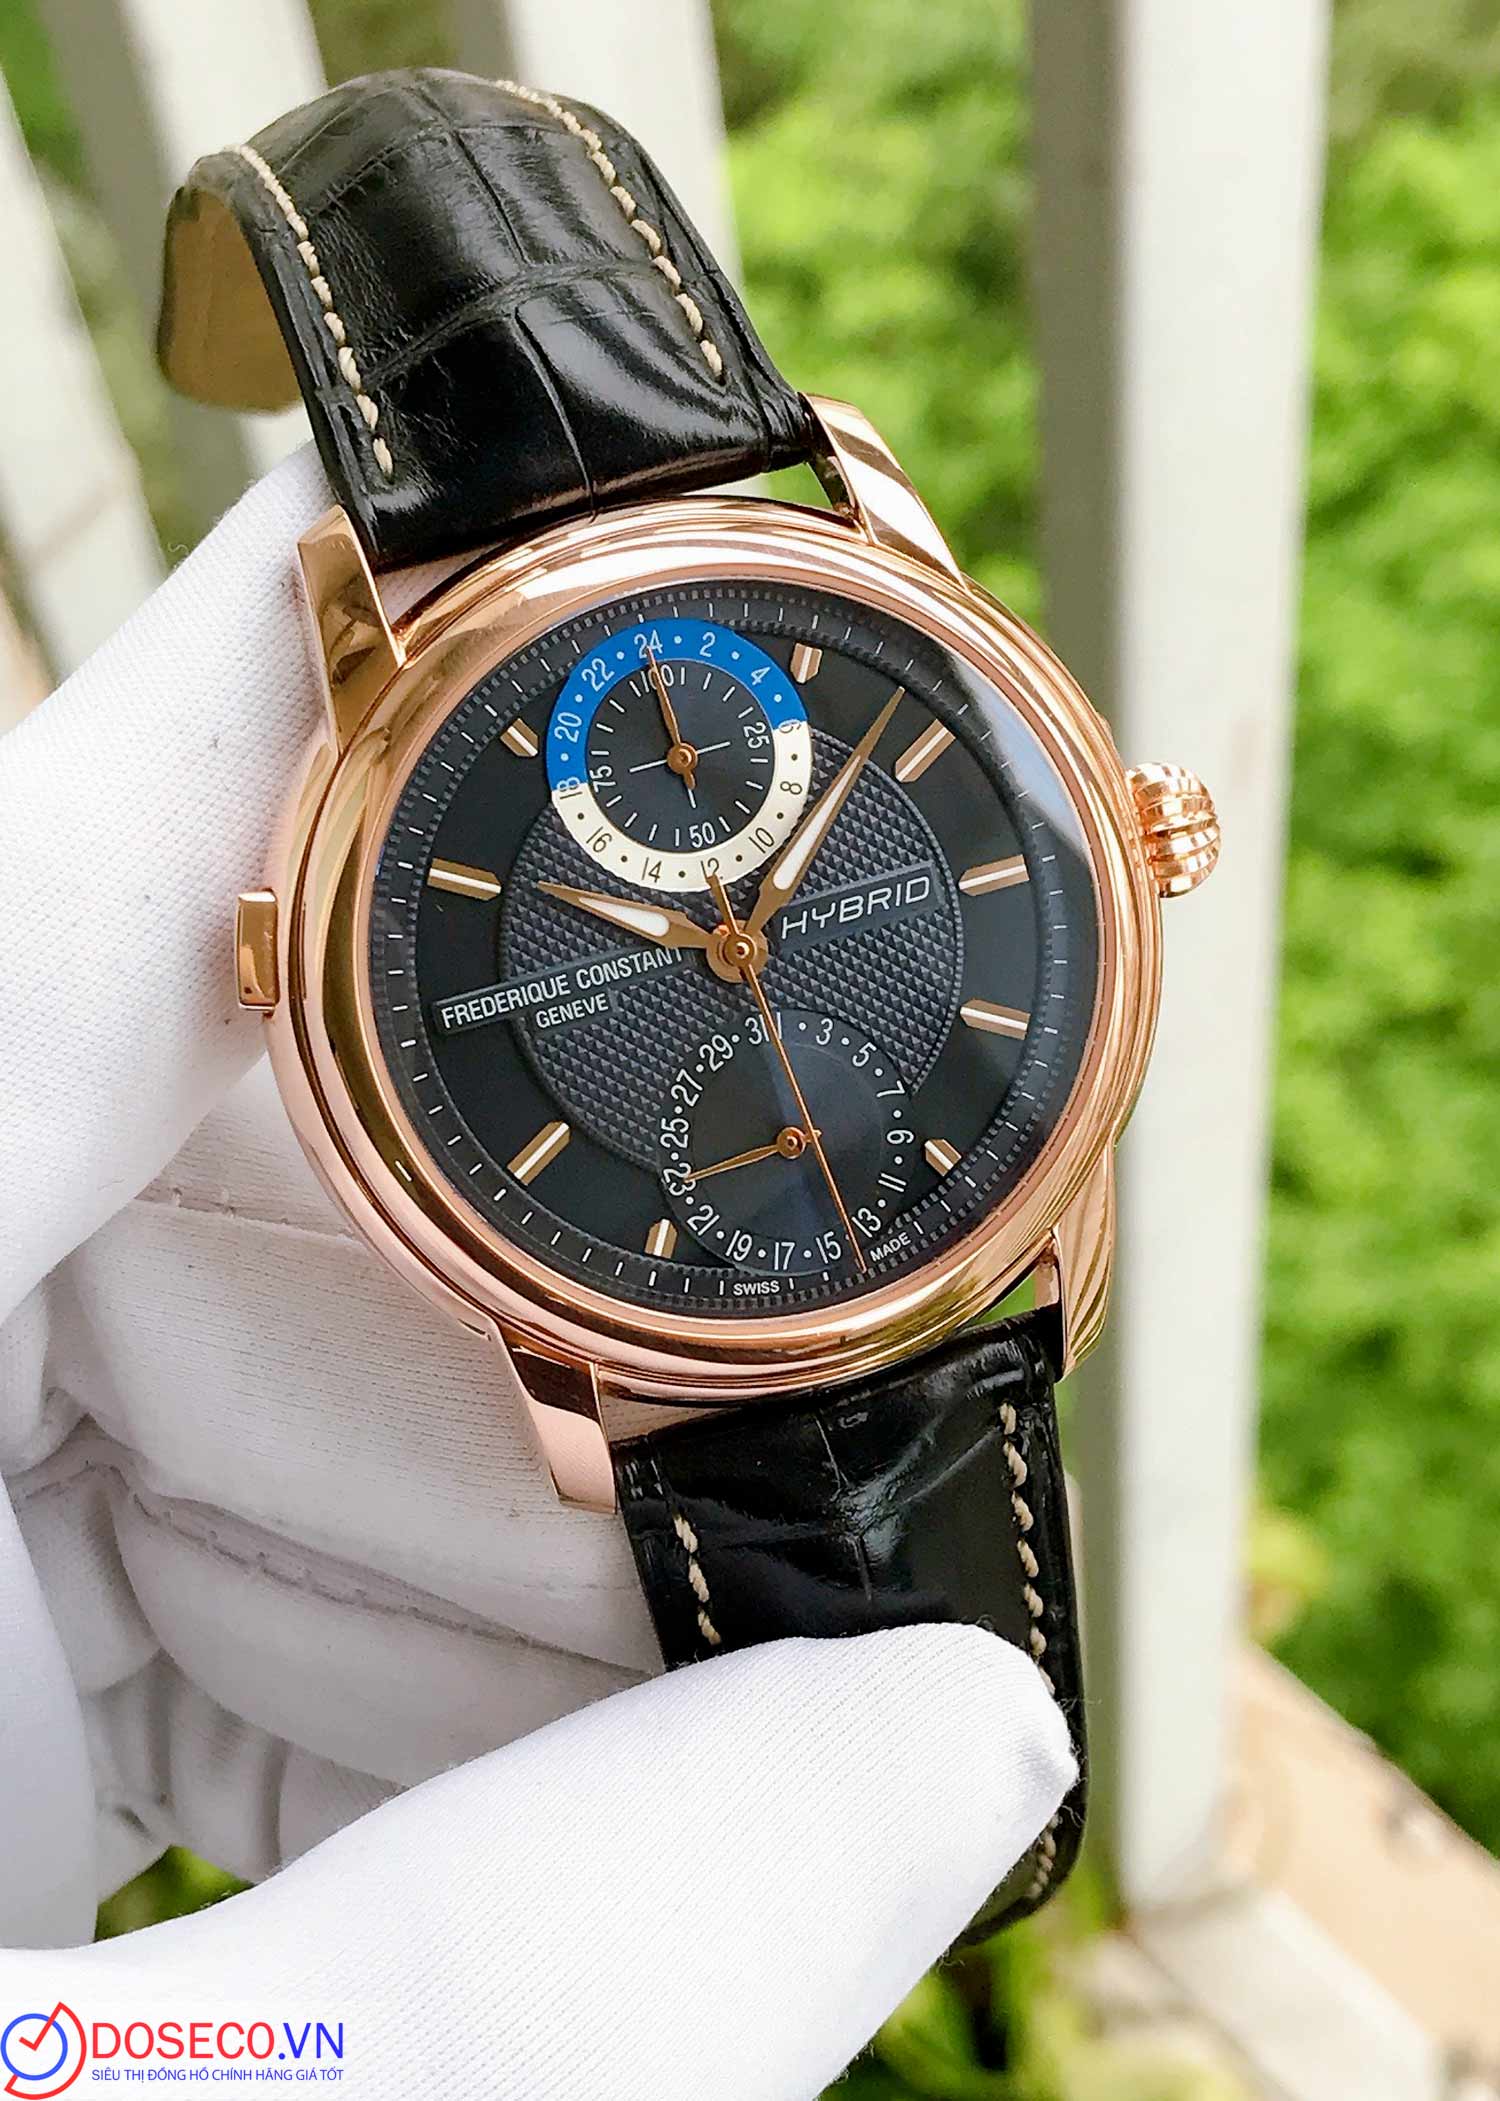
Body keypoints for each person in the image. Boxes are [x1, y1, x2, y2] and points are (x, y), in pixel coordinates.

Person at [0, 450, 1073, 2100]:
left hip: (982, 1240)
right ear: (271, 949)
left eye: (748, 923)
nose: (737, 942)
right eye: (721, 936)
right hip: (639, 1324)